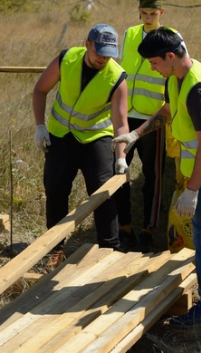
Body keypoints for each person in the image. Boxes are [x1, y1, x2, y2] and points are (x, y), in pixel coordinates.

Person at [113, 28, 201, 327]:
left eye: (154, 62)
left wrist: (191, 191)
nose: (152, 67)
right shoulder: (177, 77)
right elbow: (166, 111)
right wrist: (136, 134)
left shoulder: (199, 90)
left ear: (170, 56)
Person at [33, 23, 130, 264]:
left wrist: (120, 157)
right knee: (55, 190)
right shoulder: (66, 59)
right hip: (60, 136)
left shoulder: (117, 77)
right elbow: (40, 90)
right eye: (99, 53)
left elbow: (120, 123)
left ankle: (110, 249)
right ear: (87, 44)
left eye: (109, 55)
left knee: (103, 192)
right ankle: (55, 248)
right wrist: (39, 126)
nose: (103, 59)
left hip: (94, 139)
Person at [113, 0, 183, 253]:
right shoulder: (130, 34)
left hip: (154, 119)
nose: (148, 18)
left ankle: (148, 230)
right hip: (125, 117)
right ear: (138, 11)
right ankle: (124, 228)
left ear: (162, 12)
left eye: (153, 13)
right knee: (119, 172)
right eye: (144, 13)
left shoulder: (172, 37)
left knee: (153, 176)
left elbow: (178, 74)